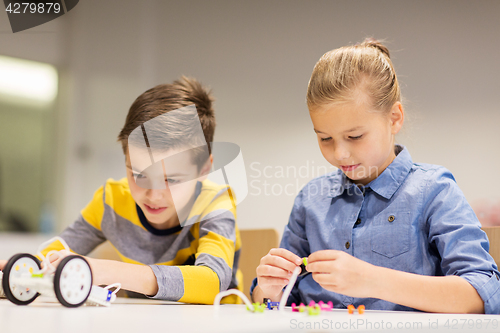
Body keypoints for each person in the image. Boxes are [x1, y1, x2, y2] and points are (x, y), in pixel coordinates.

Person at [251, 38, 500, 314]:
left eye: (354, 136)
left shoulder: (434, 191)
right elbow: (277, 300)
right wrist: (269, 290)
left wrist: (373, 280)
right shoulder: (311, 200)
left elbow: (483, 294)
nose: (340, 154)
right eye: (325, 138)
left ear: (394, 118)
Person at [0, 77, 242, 304]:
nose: (154, 195)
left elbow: (214, 281)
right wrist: (26, 273)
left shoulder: (216, 202)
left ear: (204, 168)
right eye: (139, 175)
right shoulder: (111, 199)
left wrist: (105, 270)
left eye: (172, 180)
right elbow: (60, 250)